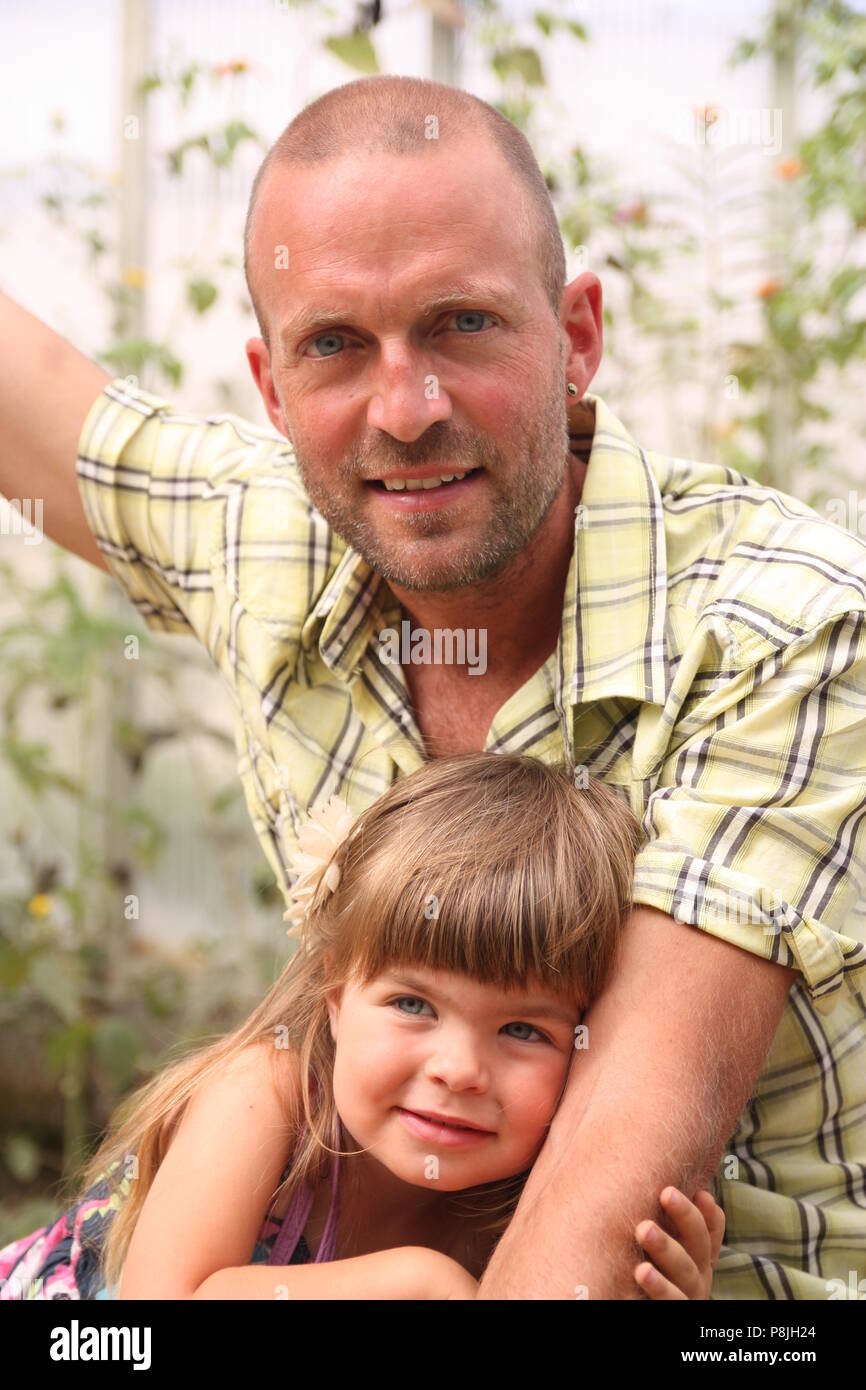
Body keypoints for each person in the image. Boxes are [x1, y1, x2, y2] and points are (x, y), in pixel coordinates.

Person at [2, 73, 865, 1299]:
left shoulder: (783, 629)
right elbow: (33, 404)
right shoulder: (270, 533)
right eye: (336, 346)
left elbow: (598, 1213)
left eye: (461, 324)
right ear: (271, 385)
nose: (404, 412)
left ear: (574, 335)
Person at [0, 754, 725, 1300]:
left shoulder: (530, 1199)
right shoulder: (267, 1096)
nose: (457, 1069)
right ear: (337, 999)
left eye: (523, 1031)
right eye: (414, 1005)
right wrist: (418, 1280)